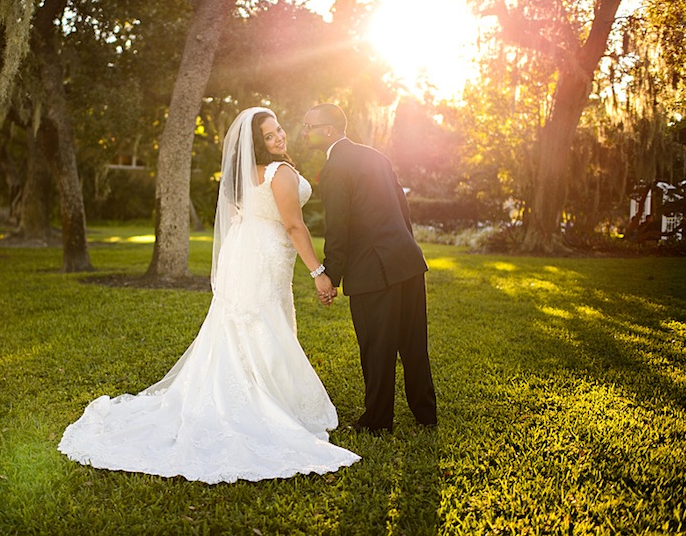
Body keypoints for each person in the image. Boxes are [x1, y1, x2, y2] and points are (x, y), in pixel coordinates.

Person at [58, 107, 360, 483]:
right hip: (265, 254)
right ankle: (263, 401)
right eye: (269, 136)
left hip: (247, 249)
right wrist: (318, 273)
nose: (279, 137)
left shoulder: (244, 174)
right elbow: (294, 225)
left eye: (279, 129)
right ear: (257, 144)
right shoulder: (279, 172)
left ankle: (244, 390)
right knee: (262, 321)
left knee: (247, 322)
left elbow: (244, 214)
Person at [302, 103, 437, 435]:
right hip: (407, 260)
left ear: (329, 130)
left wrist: (330, 274)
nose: (304, 132)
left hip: (373, 272)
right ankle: (426, 414)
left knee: (377, 347)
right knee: (413, 344)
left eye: (309, 126)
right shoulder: (376, 156)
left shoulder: (334, 168)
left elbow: (339, 229)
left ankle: (377, 420)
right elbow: (402, 210)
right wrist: (405, 247)